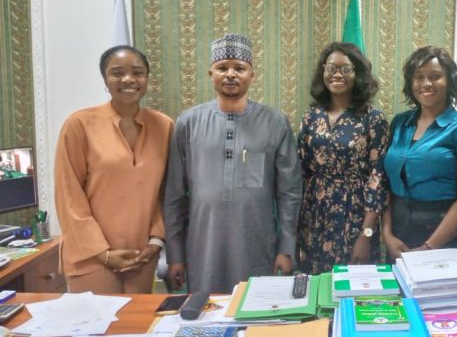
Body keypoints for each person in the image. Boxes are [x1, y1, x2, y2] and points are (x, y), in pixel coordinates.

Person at [163, 33, 302, 293]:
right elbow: (174, 195)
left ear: (252, 74)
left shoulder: (275, 122)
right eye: (222, 67)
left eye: (239, 68)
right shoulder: (188, 123)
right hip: (203, 246)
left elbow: (289, 193)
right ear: (210, 73)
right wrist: (175, 255)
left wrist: (286, 248)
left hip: (257, 243)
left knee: (257, 315)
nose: (230, 74)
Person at [55, 45, 173, 293]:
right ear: (105, 79)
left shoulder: (164, 126)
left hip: (141, 254)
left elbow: (166, 192)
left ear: (147, 78)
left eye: (137, 72)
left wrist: (156, 241)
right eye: (117, 73)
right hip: (90, 255)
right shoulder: (79, 124)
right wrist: (102, 253)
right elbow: (69, 196)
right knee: (100, 329)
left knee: (138, 328)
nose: (129, 79)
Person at [297, 42, 389, 274]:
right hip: (314, 214)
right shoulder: (311, 116)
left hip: (355, 215)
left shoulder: (373, 119)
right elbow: (301, 169)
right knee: (317, 287)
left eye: (345, 69)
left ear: (358, 74)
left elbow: (377, 181)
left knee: (353, 284)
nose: (337, 74)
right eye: (331, 68)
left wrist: (366, 234)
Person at [381, 46, 457, 258]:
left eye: (435, 77)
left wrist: (428, 248)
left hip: (442, 232)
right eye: (419, 77)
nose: (426, 84)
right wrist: (387, 235)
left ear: (449, 81)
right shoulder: (400, 123)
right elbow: (387, 185)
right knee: (399, 291)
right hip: (398, 231)